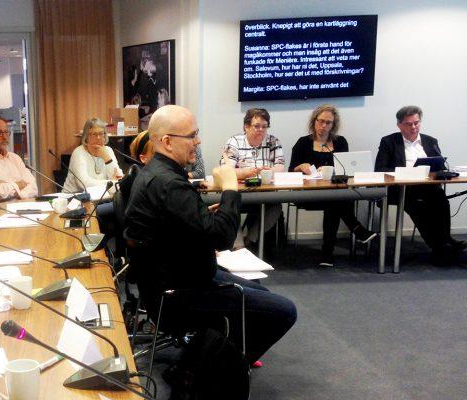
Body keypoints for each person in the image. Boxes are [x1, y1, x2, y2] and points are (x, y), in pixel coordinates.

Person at [126, 105, 296, 365]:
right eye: (192, 135)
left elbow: (178, 224)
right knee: (284, 311)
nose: (198, 141)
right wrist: (229, 187)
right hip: (180, 293)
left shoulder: (156, 174)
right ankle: (216, 368)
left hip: (172, 280)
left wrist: (201, 214)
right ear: (168, 142)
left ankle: (217, 351)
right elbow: (222, 238)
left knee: (259, 288)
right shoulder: (169, 183)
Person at [374, 105, 465, 265]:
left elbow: (440, 168)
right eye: (409, 124)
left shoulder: (430, 141)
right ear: (399, 125)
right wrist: (407, 172)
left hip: (428, 188)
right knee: (418, 206)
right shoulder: (389, 142)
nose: (414, 127)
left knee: (441, 201)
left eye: (416, 123)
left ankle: (445, 242)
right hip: (401, 190)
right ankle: (441, 248)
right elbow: (380, 169)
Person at [289, 104, 377, 266]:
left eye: (328, 122)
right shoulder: (303, 143)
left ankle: (327, 254)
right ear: (314, 121)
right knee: (336, 201)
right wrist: (300, 167)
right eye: (321, 121)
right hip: (308, 194)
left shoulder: (340, 142)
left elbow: (346, 169)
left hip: (333, 191)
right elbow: (290, 170)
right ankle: (356, 229)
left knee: (334, 201)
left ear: (333, 125)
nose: (324, 126)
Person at [221, 108, 286, 249]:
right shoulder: (234, 142)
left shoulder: (273, 141)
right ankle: (238, 248)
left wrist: (269, 171)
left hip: (265, 194)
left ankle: (250, 239)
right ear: (246, 126)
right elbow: (226, 171)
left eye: (264, 126)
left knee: (276, 206)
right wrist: (246, 172)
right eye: (257, 126)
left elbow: (281, 166)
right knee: (229, 206)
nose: (261, 130)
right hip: (240, 194)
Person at [63, 118, 123, 194]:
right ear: (86, 137)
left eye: (101, 133)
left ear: (105, 136)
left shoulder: (108, 150)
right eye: (94, 134)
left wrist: (107, 159)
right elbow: (84, 184)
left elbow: (118, 177)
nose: (98, 137)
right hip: (75, 198)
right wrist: (111, 183)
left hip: (101, 196)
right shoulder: (79, 153)